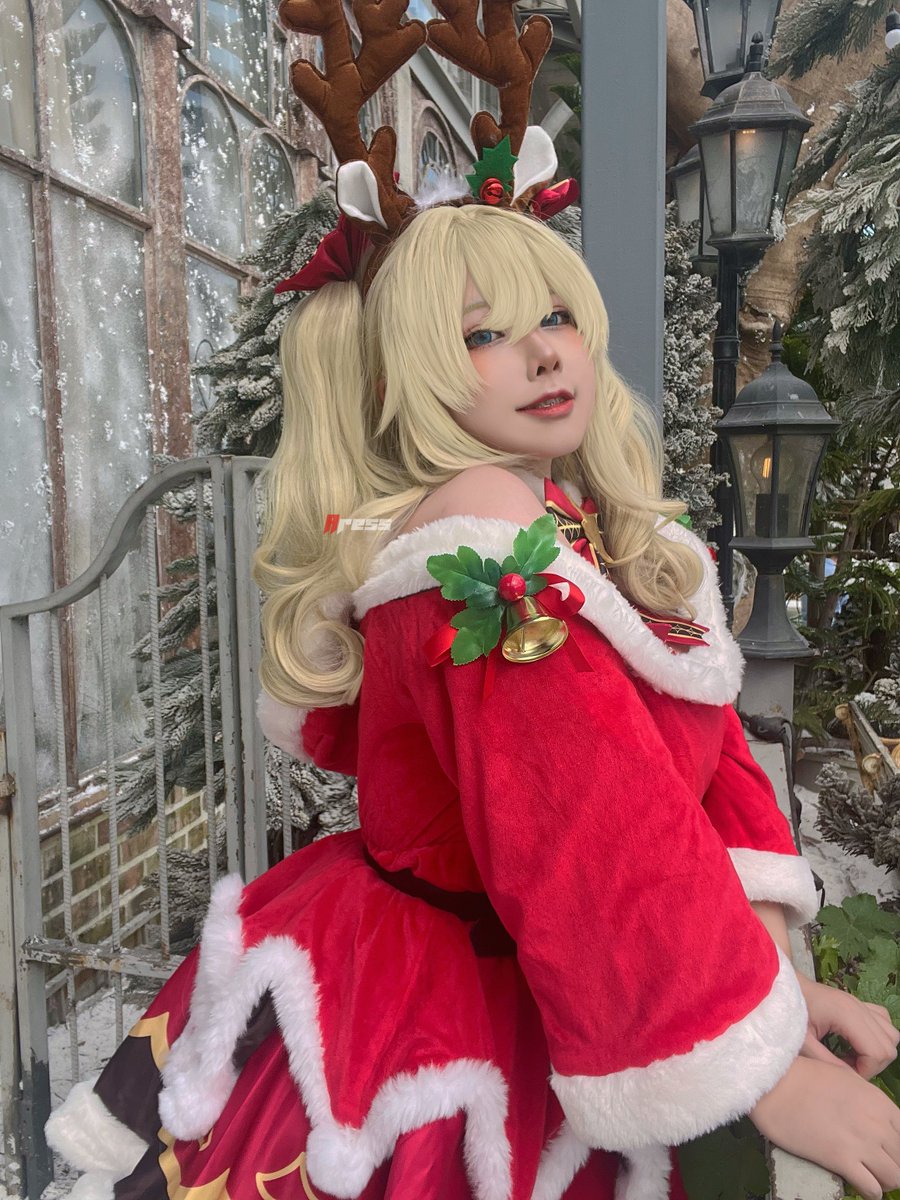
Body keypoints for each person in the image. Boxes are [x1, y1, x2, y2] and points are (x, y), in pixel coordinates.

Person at [45, 5, 900, 1198]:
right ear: (412, 379)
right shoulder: (477, 549)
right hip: (439, 997)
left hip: (570, 975)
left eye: (556, 316)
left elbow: (695, 780)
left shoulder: (583, 527)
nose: (545, 353)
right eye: (484, 335)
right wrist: (764, 1073)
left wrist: (771, 996)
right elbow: (584, 827)